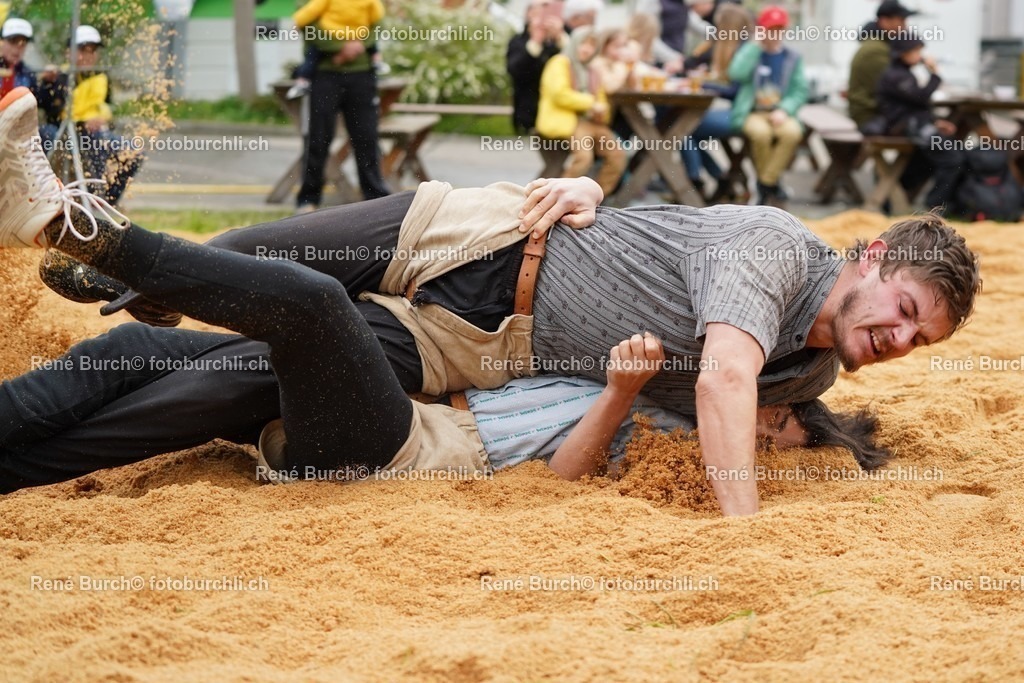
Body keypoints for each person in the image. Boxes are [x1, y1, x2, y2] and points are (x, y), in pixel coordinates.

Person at [5, 86, 979, 515]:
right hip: (483, 233)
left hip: (453, 347)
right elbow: (723, 370)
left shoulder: (808, 368)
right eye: (901, 306)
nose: (895, 335)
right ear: (873, 250)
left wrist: (815, 435)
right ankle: (117, 266)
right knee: (263, 259)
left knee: (238, 358)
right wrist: (742, 528)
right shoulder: (776, 249)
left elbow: (717, 400)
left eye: (914, 337)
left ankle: (117, 261)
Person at [294, 0, 388, 212]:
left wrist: (359, 45)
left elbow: (378, 23)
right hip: (325, 75)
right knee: (318, 138)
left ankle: (376, 199)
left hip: (362, 75)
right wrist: (341, 47)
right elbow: (306, 25)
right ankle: (308, 199)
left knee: (366, 137)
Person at [35, 26, 143, 206]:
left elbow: (107, 106)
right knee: (45, 136)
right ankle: (46, 198)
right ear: (69, 53)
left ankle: (105, 200)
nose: (89, 55)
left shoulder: (101, 76)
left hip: (94, 133)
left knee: (132, 151)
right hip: (63, 132)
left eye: (92, 50)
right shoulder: (58, 77)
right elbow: (47, 107)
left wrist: (103, 117)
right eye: (83, 50)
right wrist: (45, 81)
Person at [728, 5, 808, 208]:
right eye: (770, 28)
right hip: (753, 111)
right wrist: (755, 45)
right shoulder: (751, 51)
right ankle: (772, 185)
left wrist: (785, 109)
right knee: (760, 134)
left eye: (779, 29)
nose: (774, 34)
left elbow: (800, 90)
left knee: (792, 132)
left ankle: (764, 183)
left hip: (780, 111)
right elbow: (736, 73)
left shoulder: (792, 57)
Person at [876, 33, 965, 213]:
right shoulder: (896, 75)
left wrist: (934, 122)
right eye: (916, 51)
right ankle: (934, 206)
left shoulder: (903, 73)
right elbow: (921, 97)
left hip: (913, 128)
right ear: (903, 53)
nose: (920, 55)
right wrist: (934, 73)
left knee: (925, 161)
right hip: (904, 129)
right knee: (952, 158)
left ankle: (890, 198)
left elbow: (915, 106)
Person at [536, 27, 626, 195]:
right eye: (583, 44)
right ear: (575, 43)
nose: (586, 49)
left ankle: (596, 196)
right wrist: (590, 103)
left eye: (592, 46)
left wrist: (601, 111)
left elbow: (601, 100)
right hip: (569, 120)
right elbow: (560, 94)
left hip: (591, 121)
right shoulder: (560, 62)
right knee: (584, 158)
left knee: (617, 155)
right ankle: (556, 196)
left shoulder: (592, 71)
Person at [681, 2, 753, 202]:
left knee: (683, 130)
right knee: (683, 130)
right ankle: (719, 178)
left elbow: (735, 91)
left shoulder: (744, 51)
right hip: (732, 109)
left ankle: (695, 182)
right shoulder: (736, 47)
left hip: (741, 112)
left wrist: (706, 85)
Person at [507, 0, 568, 178]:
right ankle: (537, 197)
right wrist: (535, 42)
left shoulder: (563, 38)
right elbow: (515, 71)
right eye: (539, 11)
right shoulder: (519, 41)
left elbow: (576, 65)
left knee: (561, 161)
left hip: (564, 113)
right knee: (556, 162)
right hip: (533, 114)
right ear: (528, 15)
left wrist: (560, 39)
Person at [286, 0, 385, 100]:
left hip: (349, 37)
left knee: (312, 57)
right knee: (312, 55)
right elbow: (310, 12)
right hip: (341, 37)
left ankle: (303, 80)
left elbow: (378, 20)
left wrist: (296, 23)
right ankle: (303, 79)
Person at [847, 0, 918, 130]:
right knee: (923, 132)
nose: (905, 27)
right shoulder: (877, 50)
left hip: (874, 114)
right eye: (901, 21)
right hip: (870, 117)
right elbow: (898, 89)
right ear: (884, 21)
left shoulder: (879, 45)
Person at [0, 18, 36, 100]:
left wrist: (50, 82)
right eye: (13, 41)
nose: (17, 48)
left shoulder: (29, 75)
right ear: (1, 42)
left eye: (23, 43)